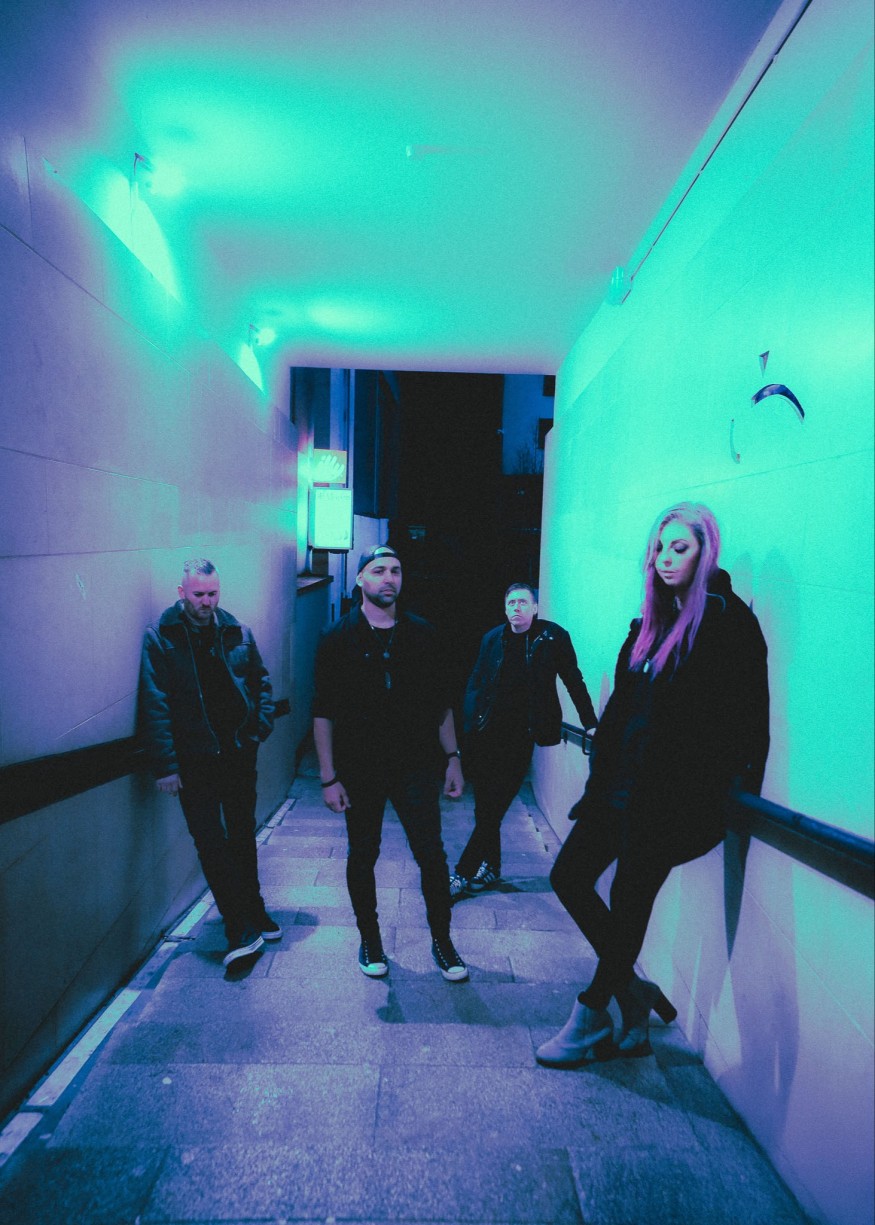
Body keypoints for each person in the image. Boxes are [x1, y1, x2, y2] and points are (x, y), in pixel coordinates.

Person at [536, 503, 769, 1067]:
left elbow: (748, 722)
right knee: (568, 877)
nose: (666, 559)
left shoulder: (728, 624)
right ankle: (632, 994)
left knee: (629, 898)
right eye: (659, 548)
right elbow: (622, 713)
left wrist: (728, 799)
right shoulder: (650, 622)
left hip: (671, 802)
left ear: (705, 552)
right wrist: (599, 778)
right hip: (616, 793)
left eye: (679, 548)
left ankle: (593, 1012)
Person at [312, 545, 469, 982]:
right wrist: (328, 777)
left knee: (432, 855)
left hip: (415, 764)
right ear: (360, 578)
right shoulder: (337, 637)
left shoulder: (422, 634)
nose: (389, 578)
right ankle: (370, 939)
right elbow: (323, 711)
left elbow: (441, 704)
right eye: (379, 570)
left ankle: (443, 940)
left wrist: (453, 758)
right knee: (363, 854)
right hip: (360, 767)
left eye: (396, 571)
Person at [138, 559, 279, 969]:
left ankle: (253, 910)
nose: (206, 602)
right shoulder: (161, 637)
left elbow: (261, 682)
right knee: (211, 843)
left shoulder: (237, 631)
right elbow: (155, 702)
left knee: (242, 837)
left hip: (237, 755)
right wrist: (166, 765)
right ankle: (238, 928)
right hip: (193, 760)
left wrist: (257, 731)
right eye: (198, 594)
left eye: (212, 594)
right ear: (181, 592)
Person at [452, 583, 598, 897]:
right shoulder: (493, 639)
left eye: (522, 602)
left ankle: (461, 874)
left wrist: (590, 723)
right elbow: (476, 682)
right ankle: (491, 868)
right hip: (488, 732)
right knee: (485, 807)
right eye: (511, 603)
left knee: (496, 807)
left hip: (523, 735)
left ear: (534, 608)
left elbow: (573, 680)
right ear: (505, 609)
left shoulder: (552, 638)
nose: (516, 608)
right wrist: (468, 726)